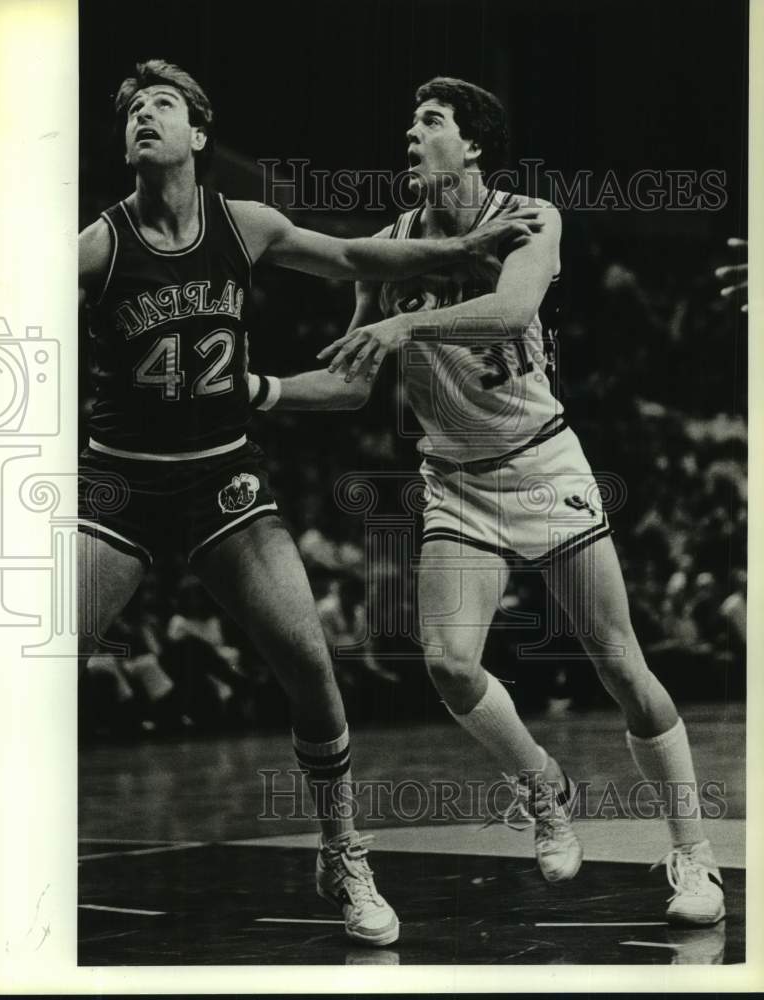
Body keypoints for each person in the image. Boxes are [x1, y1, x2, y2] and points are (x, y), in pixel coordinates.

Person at [77, 59, 537, 947]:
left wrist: (456, 251)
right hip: (121, 482)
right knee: (34, 679)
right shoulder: (97, 244)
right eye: (132, 109)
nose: (144, 116)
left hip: (221, 478)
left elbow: (354, 256)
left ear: (198, 136)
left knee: (312, 669)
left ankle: (343, 852)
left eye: (162, 105)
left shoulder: (241, 224)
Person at [250, 77, 726, 925]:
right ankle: (544, 787)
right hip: (456, 482)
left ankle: (694, 858)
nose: (410, 131)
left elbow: (510, 313)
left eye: (429, 121)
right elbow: (353, 382)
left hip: (543, 463)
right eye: (408, 119)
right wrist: (260, 390)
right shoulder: (393, 244)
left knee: (620, 662)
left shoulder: (531, 215)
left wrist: (406, 327)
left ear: (472, 145)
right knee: (446, 661)